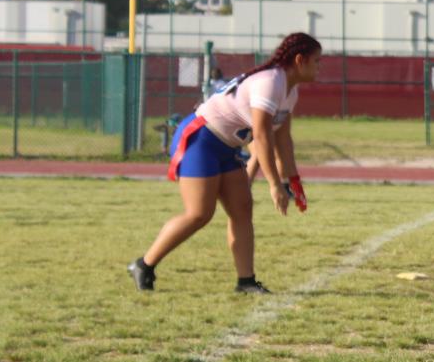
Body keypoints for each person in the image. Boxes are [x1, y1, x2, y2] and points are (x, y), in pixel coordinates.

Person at [129, 32, 322, 294]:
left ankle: (246, 281)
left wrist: (292, 180)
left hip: (226, 145)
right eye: (316, 61)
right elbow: (263, 137)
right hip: (201, 139)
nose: (319, 67)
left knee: (242, 209)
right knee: (199, 213)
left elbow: (283, 139)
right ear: (300, 60)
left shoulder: (290, 90)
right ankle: (144, 264)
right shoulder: (270, 83)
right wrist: (274, 184)